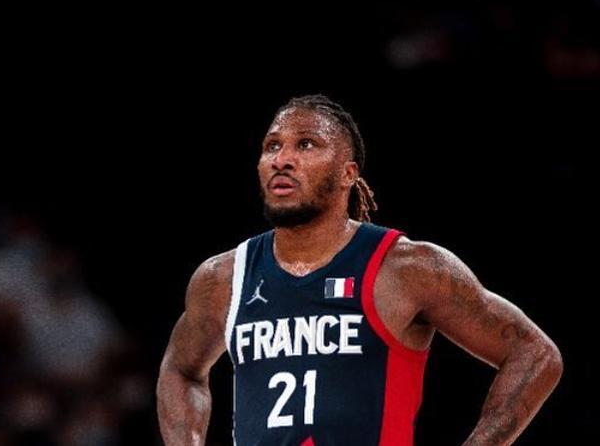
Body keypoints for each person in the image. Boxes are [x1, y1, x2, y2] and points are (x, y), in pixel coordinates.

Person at [156, 94, 562, 445]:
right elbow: (180, 370)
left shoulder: (407, 268)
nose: (282, 159)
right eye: (272, 146)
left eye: (307, 144)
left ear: (348, 173)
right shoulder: (223, 278)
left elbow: (535, 354)